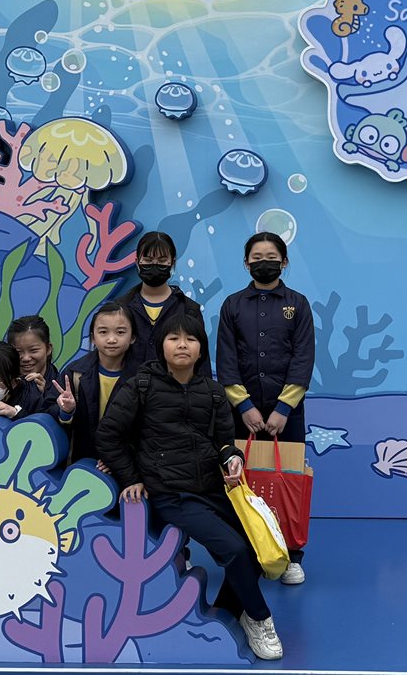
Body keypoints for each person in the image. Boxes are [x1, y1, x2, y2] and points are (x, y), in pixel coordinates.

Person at [97, 310, 284, 660]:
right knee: (234, 549)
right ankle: (260, 617)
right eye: (174, 338)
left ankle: (231, 613)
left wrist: (232, 459)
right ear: (161, 345)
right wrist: (131, 478)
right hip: (171, 493)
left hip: (212, 488)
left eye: (191, 339)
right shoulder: (141, 385)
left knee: (258, 548)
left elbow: (224, 442)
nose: (182, 345)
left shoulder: (213, 392)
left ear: (201, 349)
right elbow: (108, 435)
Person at [216, 232, 317, 584]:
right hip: (241, 414)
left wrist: (283, 409)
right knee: (240, 481)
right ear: (246, 264)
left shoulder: (298, 304)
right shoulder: (232, 305)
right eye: (256, 257)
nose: (264, 262)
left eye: (271, 257)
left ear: (284, 262)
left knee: (288, 484)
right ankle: (247, 553)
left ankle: (290, 556)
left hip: (286, 414)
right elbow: (226, 359)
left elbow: (303, 358)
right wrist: (243, 405)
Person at [55, 301, 135, 468]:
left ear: (133, 337)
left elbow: (149, 429)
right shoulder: (75, 373)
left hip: (123, 467)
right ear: (93, 337)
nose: (111, 339)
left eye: (120, 332)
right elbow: (51, 412)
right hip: (79, 464)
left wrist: (118, 459)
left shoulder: (142, 378)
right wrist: (67, 411)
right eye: (103, 332)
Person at [124, 231, 203, 369]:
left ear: (172, 263)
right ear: (137, 262)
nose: (154, 265)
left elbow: (201, 363)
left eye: (162, 261)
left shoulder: (189, 310)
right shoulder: (122, 308)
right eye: (148, 260)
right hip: (130, 383)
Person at [5, 314, 61, 395]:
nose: (26, 358)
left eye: (33, 350)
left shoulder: (62, 388)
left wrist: (44, 397)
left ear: (48, 349)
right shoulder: (1, 384)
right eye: (18, 352)